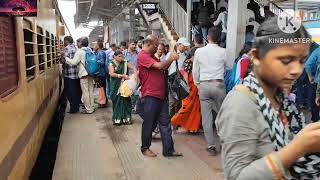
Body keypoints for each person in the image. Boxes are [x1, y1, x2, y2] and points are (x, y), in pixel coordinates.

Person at [216, 17, 320, 179]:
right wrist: (299, 148)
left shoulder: (280, 97)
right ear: (257, 56)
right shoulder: (240, 104)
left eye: (301, 61)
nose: (296, 70)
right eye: (286, 60)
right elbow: (237, 176)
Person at [137, 34, 182, 157]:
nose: (157, 49)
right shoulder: (143, 55)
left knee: (165, 123)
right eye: (155, 46)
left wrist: (172, 56)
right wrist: (171, 58)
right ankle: (145, 148)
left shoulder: (152, 56)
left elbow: (163, 66)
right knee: (149, 123)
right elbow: (161, 66)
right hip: (150, 95)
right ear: (148, 44)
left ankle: (168, 150)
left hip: (161, 95)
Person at [193, 27, 230, 156]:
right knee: (222, 116)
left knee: (207, 117)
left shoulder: (199, 51)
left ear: (207, 37)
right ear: (219, 38)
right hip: (219, 85)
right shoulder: (223, 52)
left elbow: (195, 71)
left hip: (204, 85)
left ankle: (210, 146)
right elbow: (227, 68)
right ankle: (224, 144)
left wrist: (198, 84)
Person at [171, 34, 204, 132]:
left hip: (194, 88)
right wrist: (188, 86)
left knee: (194, 108)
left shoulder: (191, 61)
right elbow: (185, 74)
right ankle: (173, 121)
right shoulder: (188, 62)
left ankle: (192, 127)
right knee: (186, 108)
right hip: (188, 88)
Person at [66, 37, 95, 114]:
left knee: (85, 92)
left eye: (78, 42)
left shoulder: (80, 52)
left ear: (81, 43)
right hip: (91, 73)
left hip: (84, 74)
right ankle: (92, 107)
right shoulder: (90, 50)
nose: (77, 43)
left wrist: (66, 58)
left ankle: (88, 109)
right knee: (90, 91)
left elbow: (73, 62)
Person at [108, 49, 136, 125]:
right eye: (119, 56)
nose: (121, 58)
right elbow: (111, 73)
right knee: (117, 102)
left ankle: (126, 118)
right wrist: (122, 75)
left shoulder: (125, 62)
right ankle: (117, 119)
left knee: (126, 101)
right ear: (115, 56)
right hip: (115, 85)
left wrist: (135, 74)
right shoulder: (111, 63)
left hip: (124, 86)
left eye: (122, 56)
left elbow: (133, 67)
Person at [60, 36, 81, 113]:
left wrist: (61, 56)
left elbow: (63, 60)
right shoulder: (76, 49)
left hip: (69, 74)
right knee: (75, 91)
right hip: (76, 74)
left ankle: (73, 108)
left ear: (67, 41)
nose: (64, 42)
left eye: (64, 41)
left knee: (70, 92)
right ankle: (76, 107)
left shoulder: (67, 49)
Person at [123, 39, 139, 113]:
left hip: (136, 75)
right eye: (133, 44)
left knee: (135, 92)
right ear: (128, 44)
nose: (134, 46)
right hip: (127, 76)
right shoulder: (124, 54)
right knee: (127, 91)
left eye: (135, 44)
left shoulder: (138, 54)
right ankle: (128, 106)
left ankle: (133, 107)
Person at [305, 45, 320, 121]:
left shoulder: (318, 50)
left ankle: (315, 120)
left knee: (314, 103)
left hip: (317, 82)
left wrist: (310, 77)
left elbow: (307, 65)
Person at [94, 39, 108, 108]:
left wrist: (95, 61)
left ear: (98, 45)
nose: (94, 46)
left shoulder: (100, 53)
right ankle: (103, 101)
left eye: (95, 44)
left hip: (101, 72)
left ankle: (103, 102)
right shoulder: (99, 52)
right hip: (101, 72)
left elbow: (102, 62)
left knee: (101, 87)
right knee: (102, 87)